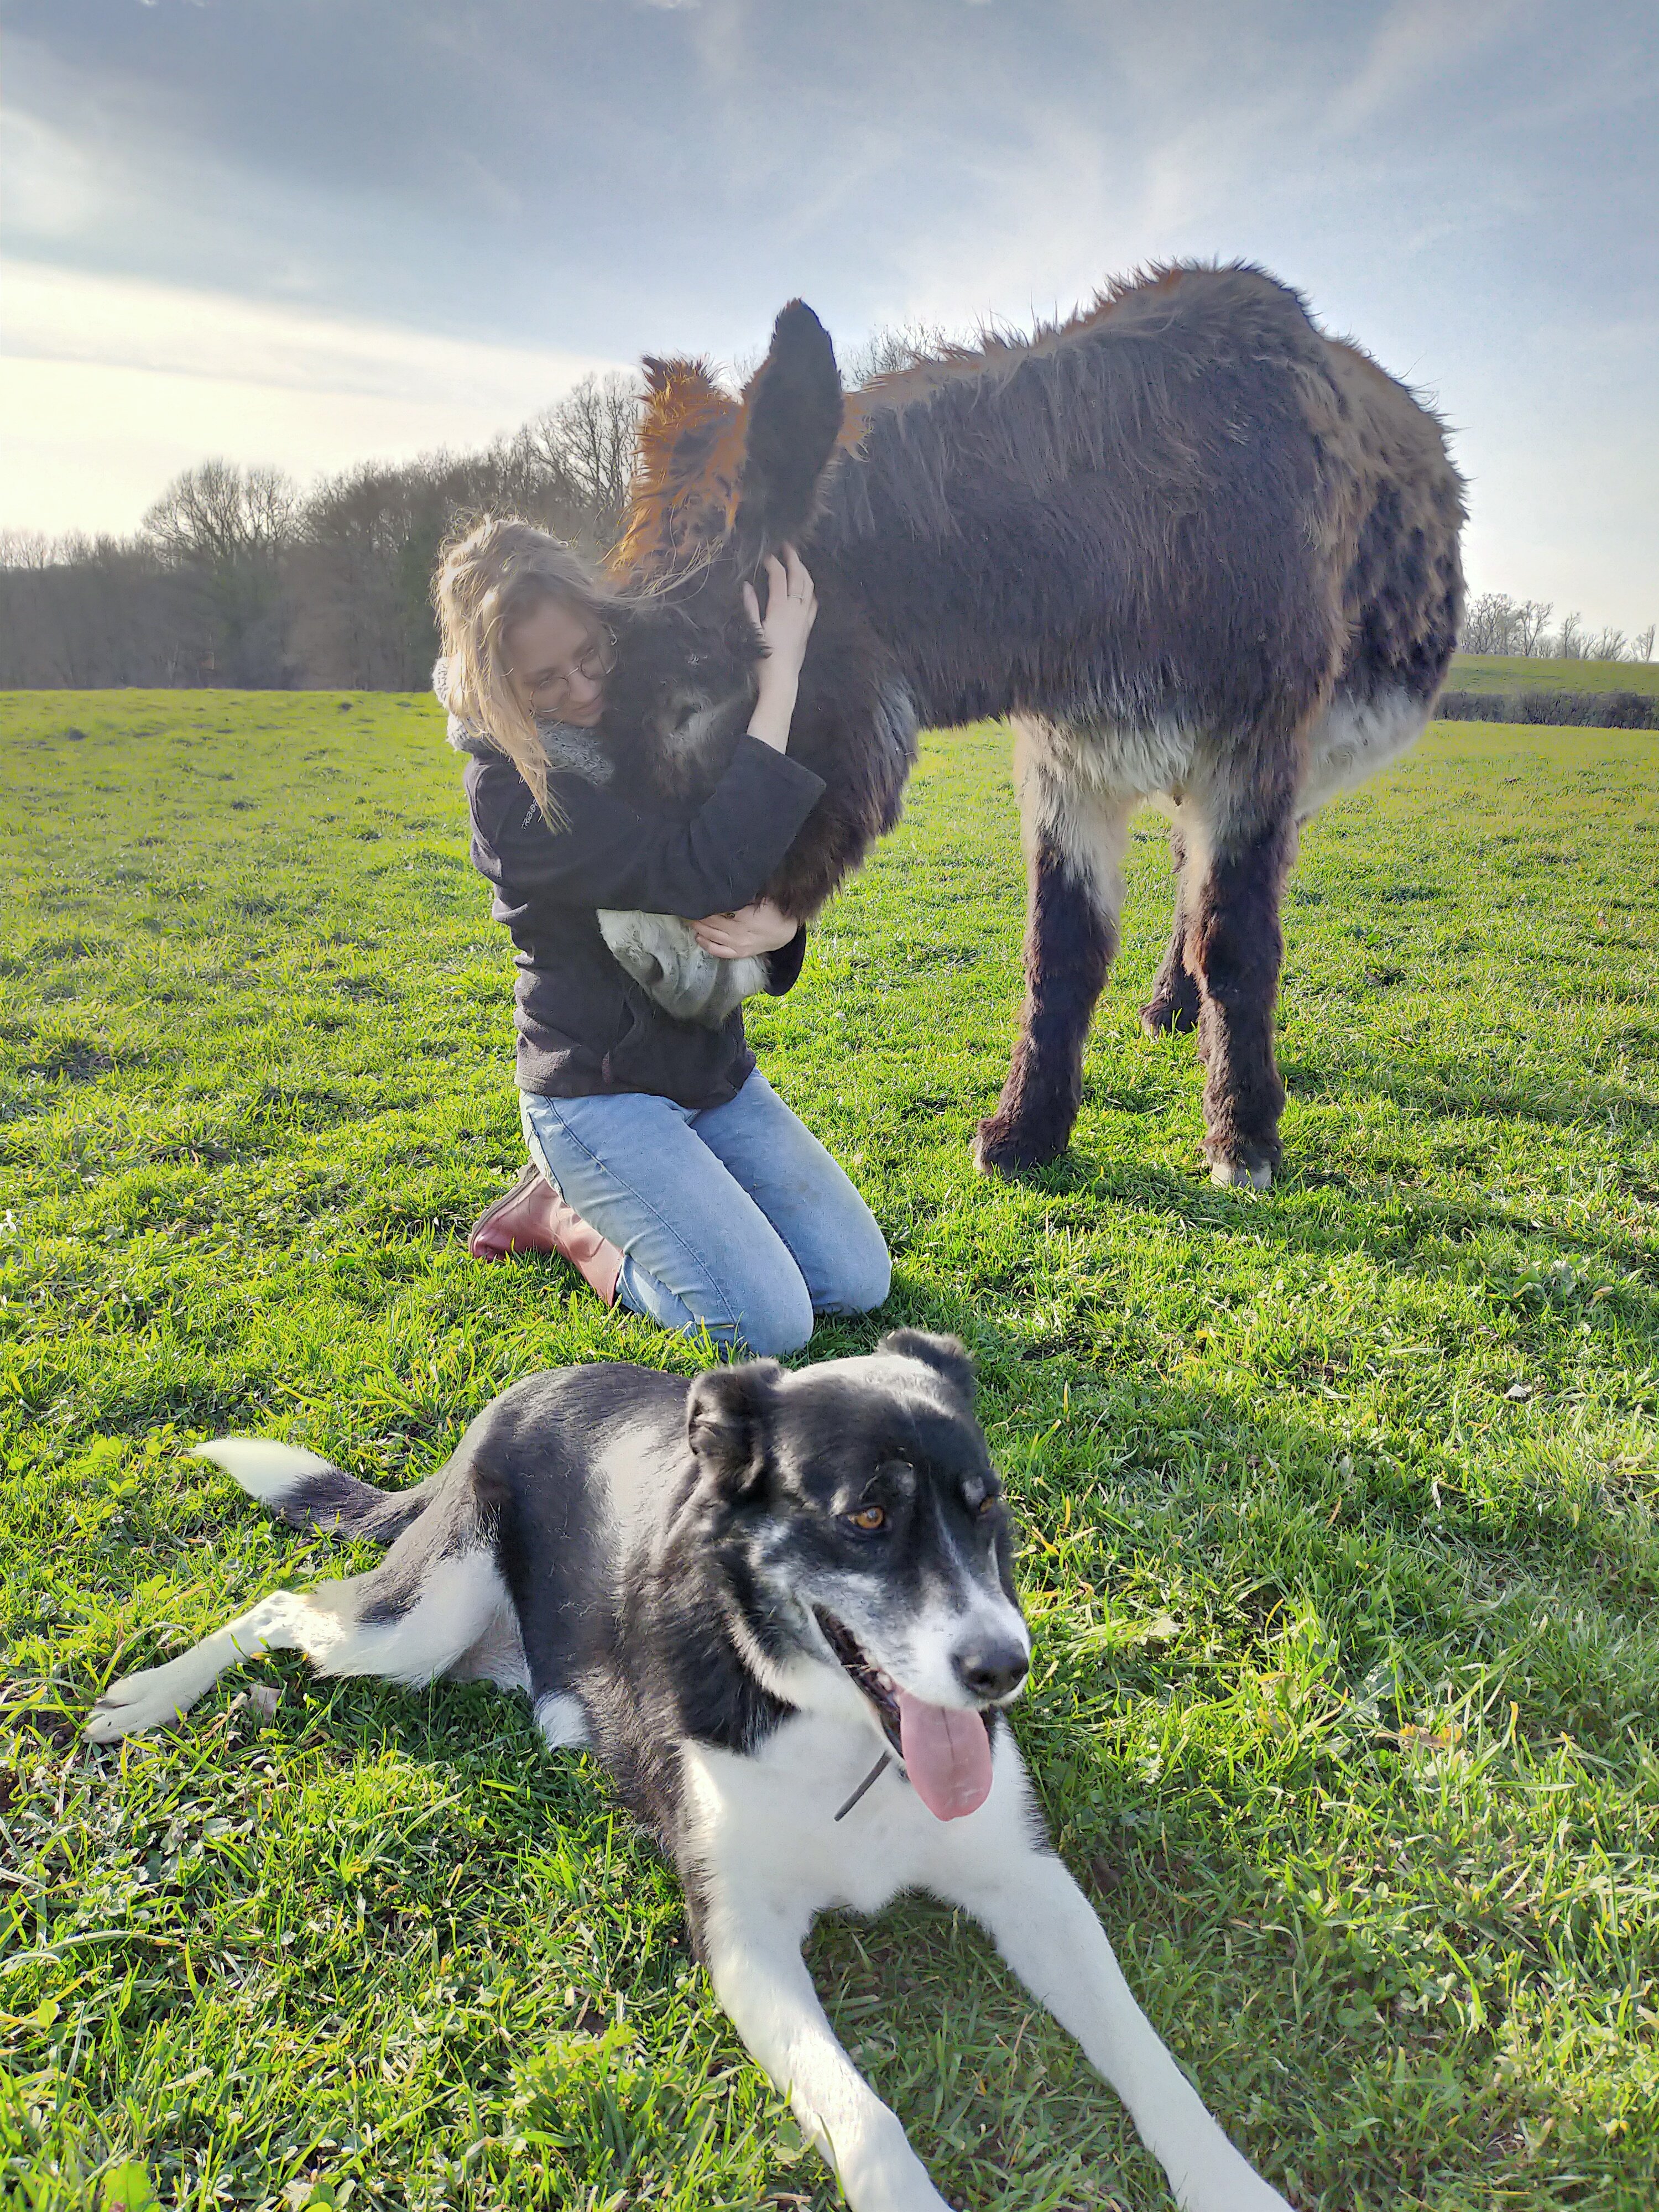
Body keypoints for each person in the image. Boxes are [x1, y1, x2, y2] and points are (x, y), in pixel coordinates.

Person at [432, 517, 890, 1357]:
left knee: (857, 1284)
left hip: (713, 1076)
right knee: (767, 1325)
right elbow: (701, 871)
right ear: (497, 684)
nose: (579, 689)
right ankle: (567, 1219)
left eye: (589, 655)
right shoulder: (512, 797)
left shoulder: (644, 709)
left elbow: (750, 858)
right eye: (543, 681)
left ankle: (683, 1207)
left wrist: (786, 919)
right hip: (598, 1096)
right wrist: (777, 674)